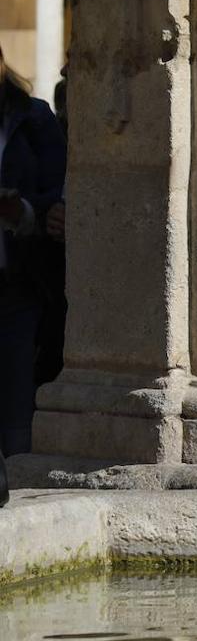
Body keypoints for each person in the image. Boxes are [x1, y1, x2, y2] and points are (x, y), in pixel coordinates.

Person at [0, 41, 66, 458]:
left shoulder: (32, 117)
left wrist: (21, 208)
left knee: (15, 400)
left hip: (18, 280)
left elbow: (60, 191)